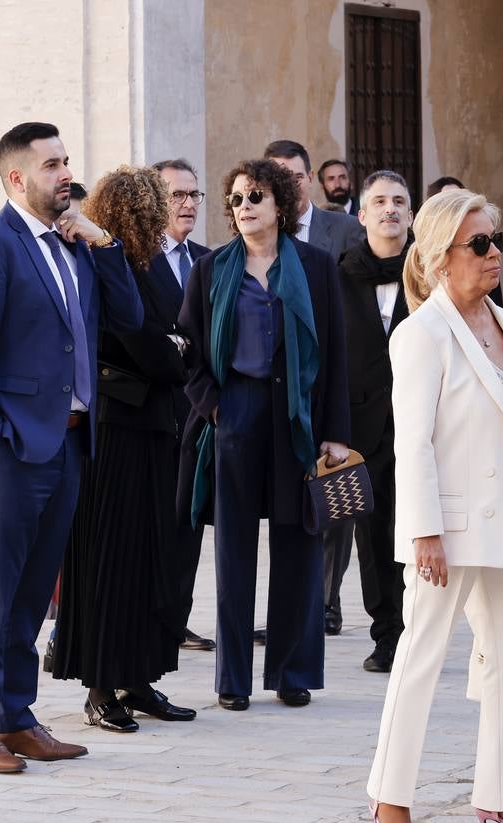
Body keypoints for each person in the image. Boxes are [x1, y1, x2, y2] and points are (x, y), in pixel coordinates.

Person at [367, 189, 503, 823]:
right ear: (438, 257)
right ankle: (390, 802)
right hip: (449, 527)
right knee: (420, 658)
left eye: (495, 241)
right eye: (477, 244)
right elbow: (411, 441)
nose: (491, 254)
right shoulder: (419, 335)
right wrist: (423, 531)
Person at [0, 121, 142, 773]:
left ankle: (15, 716)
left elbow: (131, 320)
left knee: (34, 592)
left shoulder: (76, 246)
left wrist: (103, 241)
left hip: (69, 444)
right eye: (51, 164)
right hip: (13, 448)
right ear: (16, 178)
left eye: (66, 161)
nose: (65, 173)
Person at [177, 158, 349, 710]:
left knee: (299, 541)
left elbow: (337, 355)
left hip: (298, 414)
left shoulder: (317, 267)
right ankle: (232, 680)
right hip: (237, 413)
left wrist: (336, 433)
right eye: (236, 200)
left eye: (255, 197)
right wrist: (215, 407)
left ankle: (293, 671)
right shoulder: (211, 270)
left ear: (280, 204)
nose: (245, 207)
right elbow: (189, 351)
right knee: (233, 549)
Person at [50, 166, 196, 732]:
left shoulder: (151, 261)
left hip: (156, 426)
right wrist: (173, 350)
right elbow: (155, 345)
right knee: (109, 560)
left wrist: (174, 348)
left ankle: (138, 679)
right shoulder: (100, 263)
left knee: (149, 558)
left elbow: (182, 336)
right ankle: (100, 688)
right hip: (114, 432)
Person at [264, 139, 362, 638]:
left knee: (333, 494)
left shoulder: (342, 230)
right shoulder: (253, 231)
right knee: (288, 503)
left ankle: (327, 599)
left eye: (294, 176)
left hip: (332, 377)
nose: (286, 185)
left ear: (309, 180)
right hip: (277, 389)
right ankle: (293, 603)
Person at [335, 170, 416, 673]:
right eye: (380, 202)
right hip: (361, 428)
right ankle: (386, 633)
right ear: (362, 215)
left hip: (423, 422)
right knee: (373, 534)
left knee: (423, 529)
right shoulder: (337, 274)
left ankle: (419, 629)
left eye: (400, 202)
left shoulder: (433, 273)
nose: (390, 209)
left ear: (411, 215)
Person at [151, 157, 214, 653]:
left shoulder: (209, 260)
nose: (188, 204)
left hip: (198, 417)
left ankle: (177, 619)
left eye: (194, 195)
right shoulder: (134, 260)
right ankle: (150, 618)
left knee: (189, 524)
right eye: (177, 195)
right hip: (153, 412)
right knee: (153, 526)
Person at [266, 140, 364, 266]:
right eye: (281, 179)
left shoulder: (347, 228)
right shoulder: (257, 233)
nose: (290, 188)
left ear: (310, 178)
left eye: (297, 178)